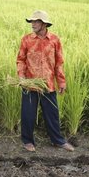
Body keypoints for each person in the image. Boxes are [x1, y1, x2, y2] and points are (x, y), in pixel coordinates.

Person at [16, 10, 74, 152]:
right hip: (30, 84)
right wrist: (21, 77)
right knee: (28, 115)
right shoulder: (27, 40)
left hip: (48, 84)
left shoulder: (54, 40)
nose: (33, 24)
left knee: (52, 114)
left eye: (36, 21)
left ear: (44, 24)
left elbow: (59, 63)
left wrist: (61, 81)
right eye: (32, 21)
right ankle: (28, 141)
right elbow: (21, 60)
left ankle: (58, 141)